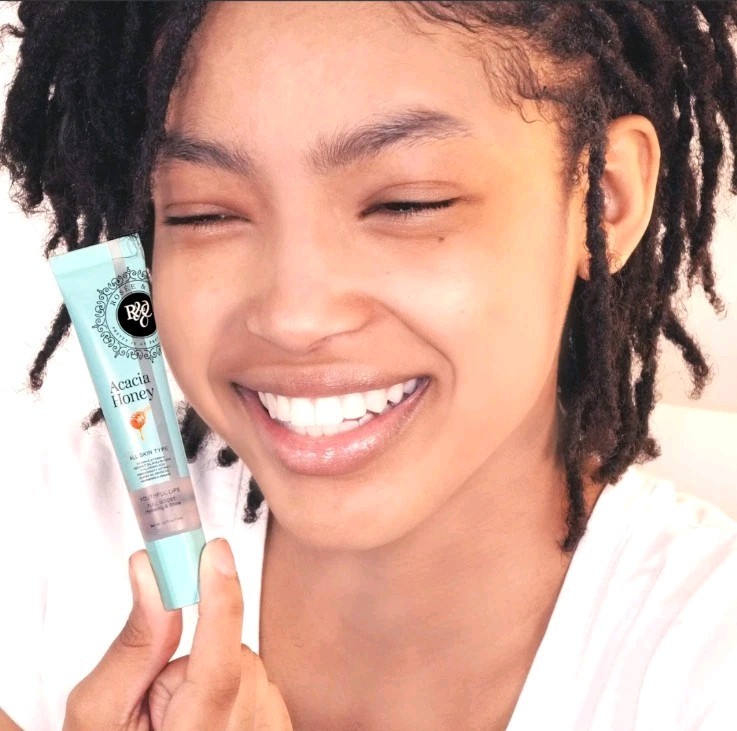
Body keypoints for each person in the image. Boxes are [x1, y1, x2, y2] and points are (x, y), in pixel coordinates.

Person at [1, 1, 736, 728]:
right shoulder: (35, 539)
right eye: (203, 212)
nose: (293, 318)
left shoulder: (708, 661)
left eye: (407, 204)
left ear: (602, 199)